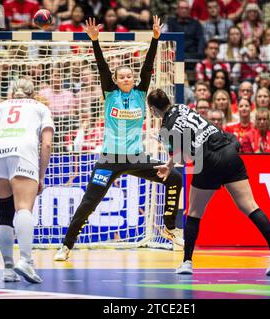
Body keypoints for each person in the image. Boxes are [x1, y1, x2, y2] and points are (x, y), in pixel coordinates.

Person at [54, 16, 184, 261]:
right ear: (115, 80)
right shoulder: (110, 94)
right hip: (109, 159)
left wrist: (155, 39)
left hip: (135, 157)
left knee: (174, 178)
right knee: (88, 203)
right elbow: (102, 66)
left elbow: (147, 67)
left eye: (129, 76)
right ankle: (66, 246)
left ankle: (169, 227)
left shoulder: (140, 93)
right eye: (121, 76)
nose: (126, 78)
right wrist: (95, 41)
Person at [146, 88, 270, 276]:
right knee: (249, 205)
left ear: (153, 110)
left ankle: (187, 262)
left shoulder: (165, 128)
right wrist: (168, 163)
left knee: (194, 213)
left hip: (207, 159)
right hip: (228, 151)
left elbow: (183, 158)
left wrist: (169, 157)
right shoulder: (182, 107)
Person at [0, 78, 55, 283]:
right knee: (23, 208)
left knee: (5, 213)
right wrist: (40, 176)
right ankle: (26, 260)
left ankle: (7, 268)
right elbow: (46, 144)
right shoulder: (41, 108)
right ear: (33, 92)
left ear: (12, 92)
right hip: (23, 151)